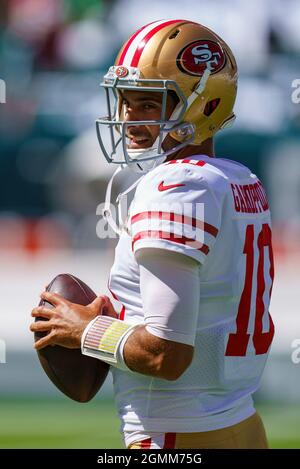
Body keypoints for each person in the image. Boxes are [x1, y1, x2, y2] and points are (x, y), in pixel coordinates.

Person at [30, 19, 275, 449]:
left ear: (205, 107)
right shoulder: (239, 180)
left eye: (150, 104)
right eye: (126, 102)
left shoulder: (177, 187)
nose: (129, 118)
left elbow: (167, 355)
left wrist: (82, 330)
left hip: (177, 434)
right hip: (241, 423)